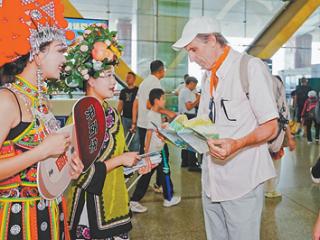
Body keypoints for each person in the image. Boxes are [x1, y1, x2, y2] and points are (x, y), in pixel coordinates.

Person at [172, 16, 279, 240]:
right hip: (212, 179)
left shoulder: (250, 68)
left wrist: (237, 143)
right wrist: (179, 129)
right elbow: (206, 123)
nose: (191, 58)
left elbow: (270, 126)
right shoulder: (208, 75)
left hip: (242, 180)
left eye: (193, 49)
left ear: (212, 40)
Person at [0, 1, 83, 239]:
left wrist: (67, 168)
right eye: (60, 50)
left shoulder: (40, 102)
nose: (64, 59)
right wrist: (42, 151)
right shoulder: (7, 100)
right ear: (37, 53)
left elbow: (42, 168)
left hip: (49, 216)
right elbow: (38, 154)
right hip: (15, 222)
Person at [63, 24, 143, 240]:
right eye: (107, 75)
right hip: (92, 211)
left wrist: (136, 164)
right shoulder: (81, 115)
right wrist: (120, 160)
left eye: (113, 75)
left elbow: (119, 160)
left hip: (115, 204)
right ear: (89, 78)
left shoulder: (111, 112)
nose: (113, 82)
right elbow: (79, 173)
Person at [130, 60, 177, 213]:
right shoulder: (156, 84)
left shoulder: (143, 83)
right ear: (161, 70)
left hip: (145, 126)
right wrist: (168, 113)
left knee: (157, 163)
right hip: (153, 129)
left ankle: (164, 191)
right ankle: (137, 199)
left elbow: (138, 104)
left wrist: (135, 121)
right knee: (154, 164)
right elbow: (153, 106)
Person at [144, 88, 181, 206]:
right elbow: (149, 133)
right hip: (155, 151)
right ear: (156, 101)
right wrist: (146, 151)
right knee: (150, 174)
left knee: (164, 172)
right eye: (163, 98)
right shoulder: (152, 115)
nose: (165, 101)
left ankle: (168, 197)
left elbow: (156, 130)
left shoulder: (156, 114)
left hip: (158, 149)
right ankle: (167, 199)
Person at [264, 76, 296, 198]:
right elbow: (285, 121)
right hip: (276, 139)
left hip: (263, 139)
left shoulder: (263, 100)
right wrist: (290, 138)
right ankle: (271, 189)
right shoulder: (281, 103)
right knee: (275, 164)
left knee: (265, 163)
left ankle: (267, 188)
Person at [178, 76, 201, 171]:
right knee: (191, 141)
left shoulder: (186, 91)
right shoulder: (186, 91)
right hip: (188, 116)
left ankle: (185, 162)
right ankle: (192, 164)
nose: (195, 87)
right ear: (190, 83)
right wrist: (198, 99)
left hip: (184, 116)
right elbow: (189, 106)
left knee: (185, 140)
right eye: (194, 85)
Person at [118, 71, 140, 151]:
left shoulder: (138, 90)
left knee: (135, 139)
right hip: (125, 118)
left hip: (136, 118)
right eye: (126, 78)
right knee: (125, 138)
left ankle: (135, 155)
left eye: (129, 77)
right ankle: (126, 154)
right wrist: (117, 116)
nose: (127, 79)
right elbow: (120, 104)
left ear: (134, 79)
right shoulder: (123, 91)